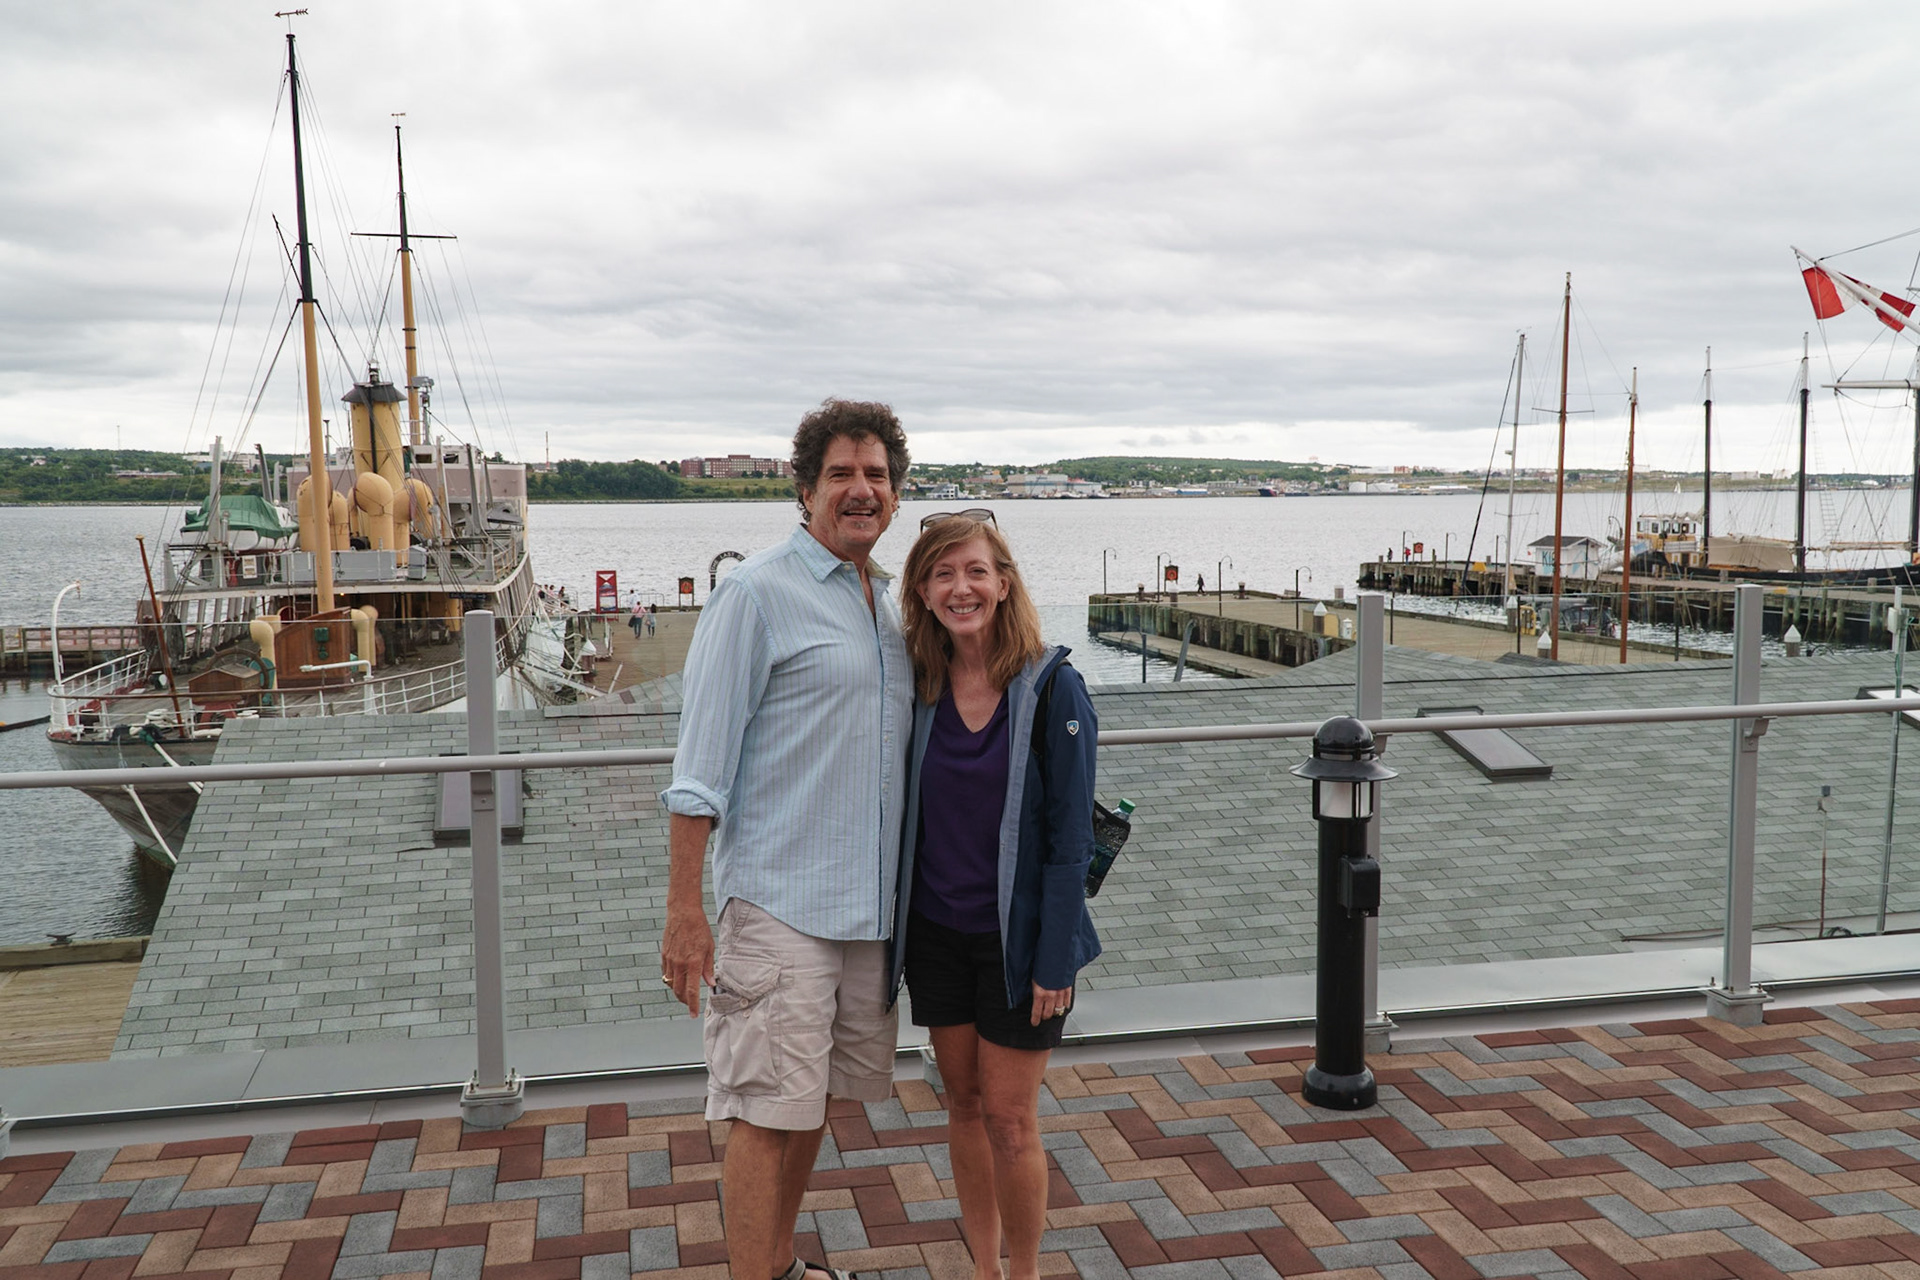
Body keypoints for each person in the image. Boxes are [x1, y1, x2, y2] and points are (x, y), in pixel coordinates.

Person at [660, 399, 914, 1280]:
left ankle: (779, 1267)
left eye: (875, 475)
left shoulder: (887, 607)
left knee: (811, 1109)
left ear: (895, 494)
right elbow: (700, 770)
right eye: (841, 473)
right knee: (766, 1114)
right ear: (805, 489)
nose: (859, 489)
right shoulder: (756, 594)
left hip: (865, 916)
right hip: (778, 907)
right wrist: (686, 910)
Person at [891, 512, 1102, 1280]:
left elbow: (1070, 839)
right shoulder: (917, 686)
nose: (961, 588)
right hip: (936, 936)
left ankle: (1025, 1274)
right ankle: (982, 1269)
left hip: (1020, 948)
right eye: (943, 574)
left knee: (1012, 1121)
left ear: (1004, 583)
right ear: (922, 591)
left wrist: (1055, 961)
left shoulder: (1054, 688)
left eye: (976, 571)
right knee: (963, 1107)